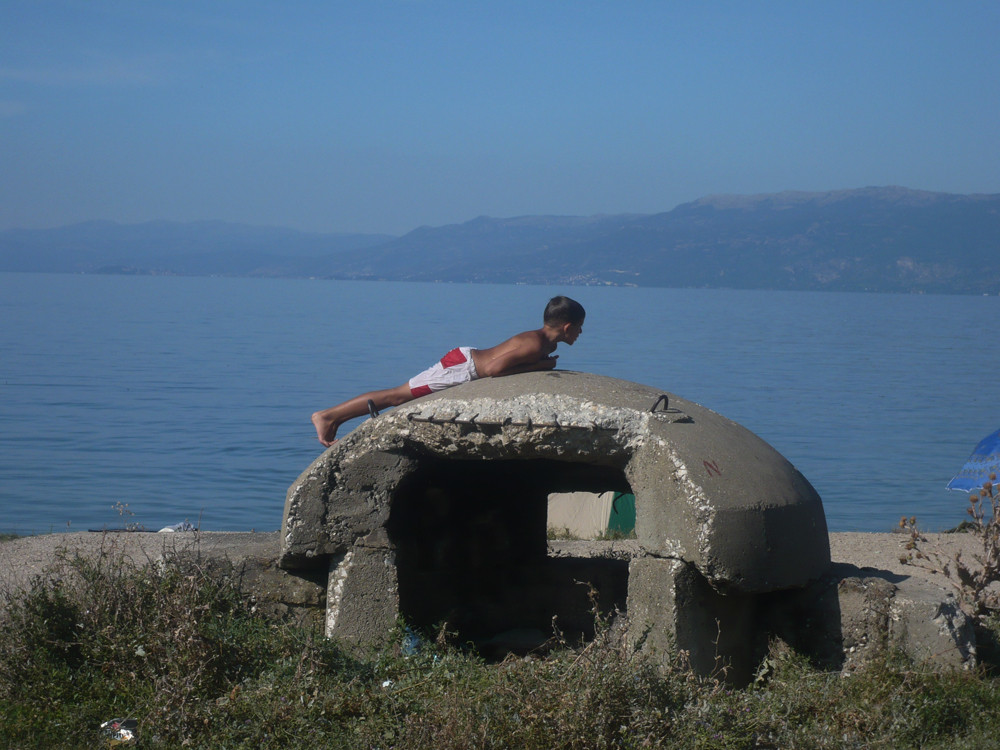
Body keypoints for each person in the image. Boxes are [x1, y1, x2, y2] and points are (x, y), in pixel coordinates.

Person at [311, 296, 585, 446]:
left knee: (399, 396)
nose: (580, 333)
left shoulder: (538, 341)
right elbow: (493, 368)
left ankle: (337, 420)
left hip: (464, 363)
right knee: (397, 396)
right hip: (461, 369)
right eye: (580, 327)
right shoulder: (536, 345)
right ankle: (327, 416)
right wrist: (540, 365)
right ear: (567, 327)